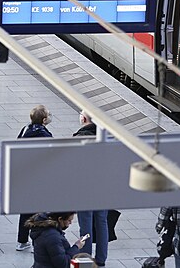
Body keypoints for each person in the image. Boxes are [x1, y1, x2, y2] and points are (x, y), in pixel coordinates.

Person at [71, 111, 109, 265]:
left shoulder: (79, 138)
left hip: (85, 187)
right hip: (104, 187)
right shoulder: (105, 138)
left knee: (85, 224)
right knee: (102, 222)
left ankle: (86, 257)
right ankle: (101, 259)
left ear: (84, 118)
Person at [15, 105, 54, 251]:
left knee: (25, 210)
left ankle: (22, 240)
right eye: (49, 114)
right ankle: (38, 241)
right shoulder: (45, 135)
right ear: (44, 120)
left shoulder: (26, 129)